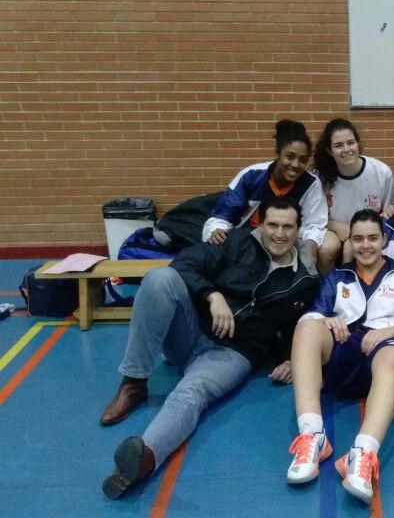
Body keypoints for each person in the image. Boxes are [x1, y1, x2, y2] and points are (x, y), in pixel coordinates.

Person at [100, 199, 320, 499]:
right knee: (160, 278)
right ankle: (133, 383)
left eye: (287, 227)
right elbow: (184, 264)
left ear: (298, 231)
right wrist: (213, 296)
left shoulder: (304, 278)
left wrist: (291, 359)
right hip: (192, 329)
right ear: (261, 225)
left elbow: (302, 324)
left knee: (190, 394)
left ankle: (144, 458)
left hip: (232, 354)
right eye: (272, 225)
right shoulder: (236, 242)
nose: (279, 234)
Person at [285, 209, 394, 504]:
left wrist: (393, 329)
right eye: (358, 239)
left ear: (384, 240)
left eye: (372, 238)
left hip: (389, 355)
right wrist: (327, 320)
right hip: (346, 353)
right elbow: (314, 313)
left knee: (392, 353)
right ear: (350, 242)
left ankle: (363, 453)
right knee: (306, 328)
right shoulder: (338, 277)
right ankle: (313, 436)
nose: (365, 245)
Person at [202, 119, 327, 267]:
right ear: (278, 153)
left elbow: (315, 224)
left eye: (303, 160)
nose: (295, 165)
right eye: (290, 156)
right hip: (248, 242)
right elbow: (223, 214)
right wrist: (217, 229)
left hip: (287, 244)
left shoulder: (311, 184)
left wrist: (310, 244)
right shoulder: (251, 176)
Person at [313, 118, 394, 274]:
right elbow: (313, 219)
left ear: (358, 144)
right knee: (327, 248)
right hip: (334, 230)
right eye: (338, 145)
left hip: (368, 230)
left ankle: (350, 284)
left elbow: (389, 213)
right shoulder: (319, 177)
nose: (346, 149)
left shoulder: (381, 172)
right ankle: (327, 285)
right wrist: (335, 226)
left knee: (350, 248)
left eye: (350, 143)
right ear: (330, 150)